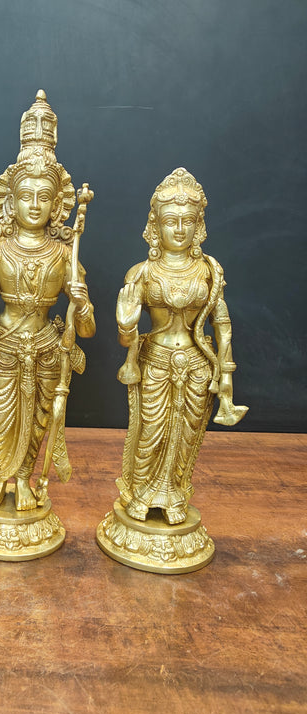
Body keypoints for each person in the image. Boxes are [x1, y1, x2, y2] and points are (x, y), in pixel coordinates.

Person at [0, 91, 95, 511]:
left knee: (38, 417)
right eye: (27, 195)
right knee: (0, 416)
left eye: (44, 196)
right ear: (11, 201)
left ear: (57, 203)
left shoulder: (64, 253)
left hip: (45, 348)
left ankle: (24, 479)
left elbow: (88, 327)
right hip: (5, 346)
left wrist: (82, 305)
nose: (35, 204)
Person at [115, 168, 248, 525]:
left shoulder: (209, 271)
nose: (178, 229)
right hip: (155, 361)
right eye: (170, 221)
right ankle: (141, 493)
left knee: (186, 433)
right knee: (150, 432)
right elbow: (127, 339)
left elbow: (222, 324)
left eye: (187, 221)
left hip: (197, 363)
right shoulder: (141, 273)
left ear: (198, 225)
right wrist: (126, 324)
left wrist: (226, 373)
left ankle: (174, 494)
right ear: (155, 225)